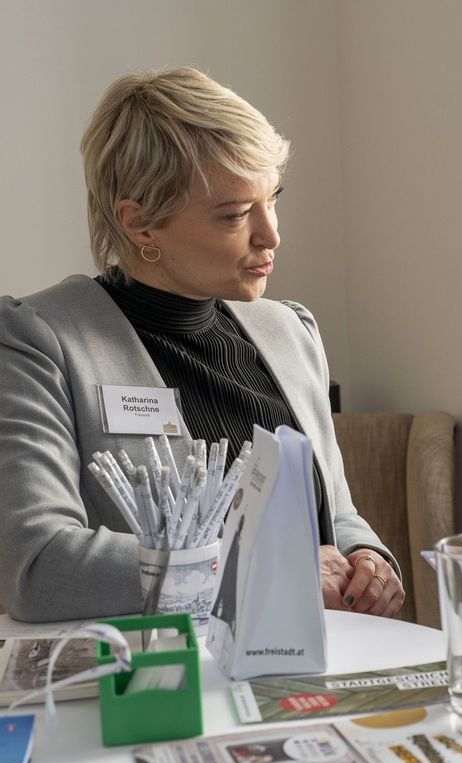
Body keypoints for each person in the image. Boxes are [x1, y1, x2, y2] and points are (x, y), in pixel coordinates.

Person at [0, 67, 404, 622]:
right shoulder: (39, 341)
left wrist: (367, 561)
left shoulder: (291, 331)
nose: (271, 234)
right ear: (141, 224)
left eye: (272, 198)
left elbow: (335, 515)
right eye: (235, 215)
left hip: (324, 656)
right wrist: (260, 567)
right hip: (161, 673)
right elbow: (38, 566)